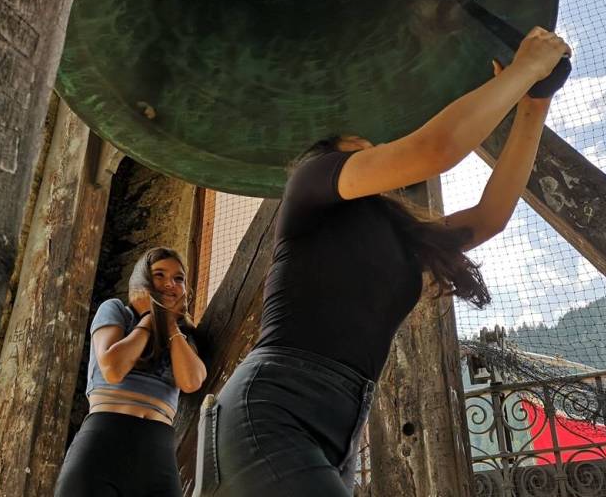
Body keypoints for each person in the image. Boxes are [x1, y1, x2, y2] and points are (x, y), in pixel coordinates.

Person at [207, 27, 572, 497]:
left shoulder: (401, 238)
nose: (380, 155)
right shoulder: (310, 183)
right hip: (279, 401)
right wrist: (525, 69)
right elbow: (433, 150)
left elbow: (490, 216)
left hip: (343, 421)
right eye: (366, 147)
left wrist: (533, 104)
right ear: (333, 155)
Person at [55, 247, 207, 497]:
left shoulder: (182, 336)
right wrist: (149, 317)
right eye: (159, 275)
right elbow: (113, 369)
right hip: (103, 447)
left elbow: (191, 381)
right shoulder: (117, 311)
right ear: (142, 280)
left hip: (158, 454)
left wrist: (169, 324)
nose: (170, 283)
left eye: (178, 278)